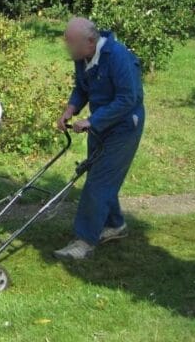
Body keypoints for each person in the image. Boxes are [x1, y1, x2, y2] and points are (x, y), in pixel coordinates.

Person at [53, 17, 145, 261]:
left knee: (98, 182)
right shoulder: (82, 57)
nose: (67, 47)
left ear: (91, 41)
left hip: (124, 127)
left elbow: (128, 99)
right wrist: (70, 110)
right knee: (100, 175)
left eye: (70, 42)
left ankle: (84, 241)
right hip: (101, 124)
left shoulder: (118, 57)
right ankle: (115, 225)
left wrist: (93, 120)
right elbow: (82, 88)